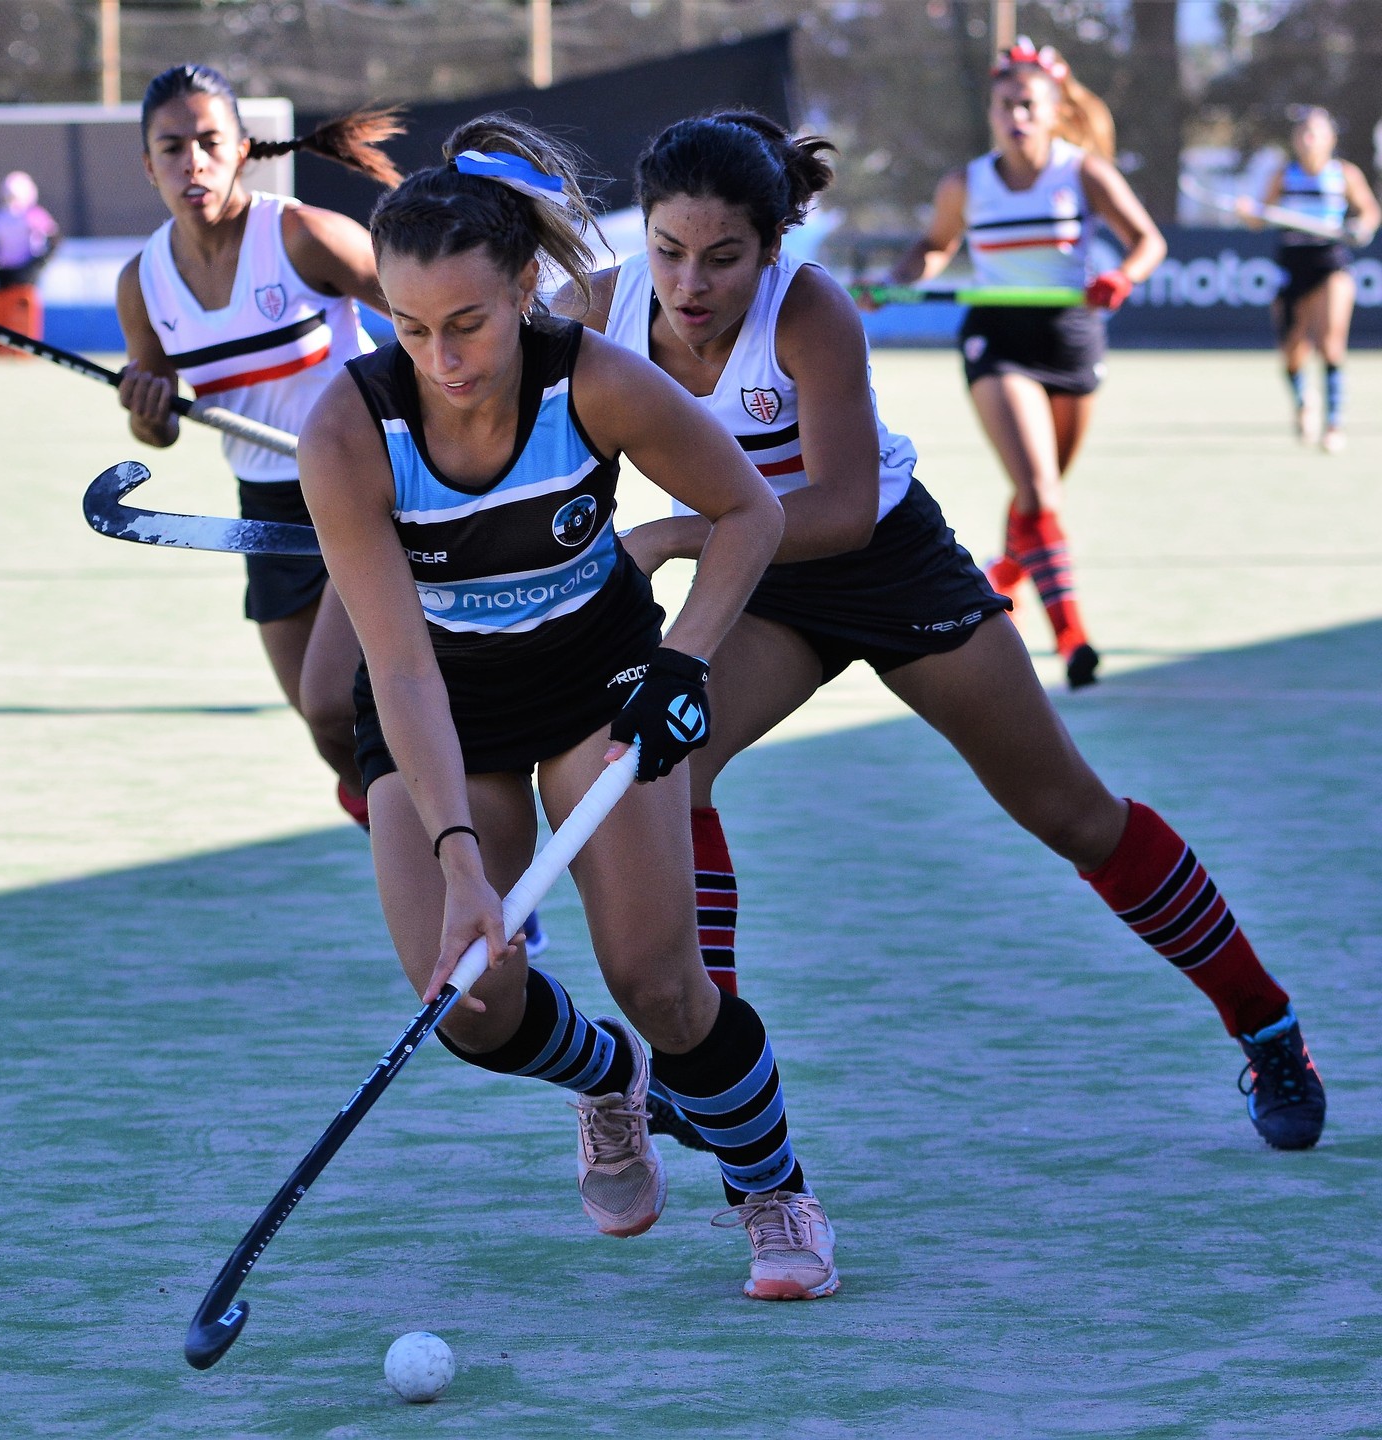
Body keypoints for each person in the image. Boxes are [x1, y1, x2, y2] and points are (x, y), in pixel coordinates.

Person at [552, 109, 1325, 1155]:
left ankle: (1265, 1023)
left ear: (773, 248)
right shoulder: (600, 305)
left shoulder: (812, 312)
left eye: (725, 258)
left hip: (880, 565)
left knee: (1072, 813)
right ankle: (706, 1061)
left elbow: (846, 509)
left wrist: (681, 531)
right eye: (670, 252)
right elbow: (486, 391)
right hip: (763, 581)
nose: (691, 286)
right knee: (668, 770)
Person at [295, 115, 840, 1301]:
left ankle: (775, 1191)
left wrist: (686, 660)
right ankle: (606, 1079)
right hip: (443, 701)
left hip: (598, 682)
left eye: (470, 324)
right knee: (472, 1007)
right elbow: (401, 672)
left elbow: (750, 513)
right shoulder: (346, 432)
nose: (442, 358)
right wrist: (458, 859)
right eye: (411, 326)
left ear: (528, 289)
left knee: (665, 983)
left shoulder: (596, 380)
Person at [116, 63, 400, 827]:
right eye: (172, 148)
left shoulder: (303, 236)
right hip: (265, 508)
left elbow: (424, 320)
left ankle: (465, 875)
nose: (193, 162)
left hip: (359, 486)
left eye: (210, 142)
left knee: (333, 698)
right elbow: (160, 426)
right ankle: (435, 860)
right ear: (150, 165)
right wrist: (149, 410)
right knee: (329, 732)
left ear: (243, 149)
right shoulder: (143, 283)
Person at [890, 37, 1167, 689]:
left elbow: (1146, 241)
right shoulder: (968, 183)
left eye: (1028, 105)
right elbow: (933, 245)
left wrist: (1122, 278)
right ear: (992, 111)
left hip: (1071, 338)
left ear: (1052, 110)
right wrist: (897, 279)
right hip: (998, 341)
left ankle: (1003, 574)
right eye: (1005, 105)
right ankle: (1073, 639)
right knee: (1040, 490)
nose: (1016, 117)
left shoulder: (1085, 172)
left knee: (1037, 497)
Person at [1241, 106, 1379, 453]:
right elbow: (1260, 216)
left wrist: (1361, 227)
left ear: (1330, 139)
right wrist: (1249, 213)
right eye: (1302, 133)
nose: (1308, 139)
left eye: (1315, 132)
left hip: (1330, 262)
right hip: (1292, 264)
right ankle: (1304, 402)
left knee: (1331, 344)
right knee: (1291, 352)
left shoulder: (1344, 174)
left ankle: (1334, 425)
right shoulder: (1283, 175)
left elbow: (1369, 211)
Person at [0, 170, 60, 351]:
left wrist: (37, 265)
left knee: (21, 313)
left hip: (24, 273)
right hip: (4, 272)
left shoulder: (34, 215)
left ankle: (21, 349)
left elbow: (54, 240)